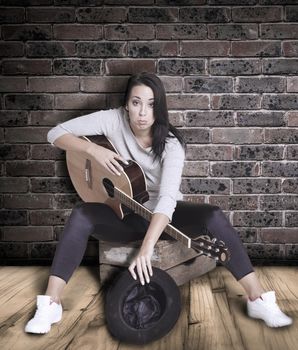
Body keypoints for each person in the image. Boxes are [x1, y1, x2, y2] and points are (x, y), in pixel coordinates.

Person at [25, 72, 292, 334]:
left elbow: (166, 200)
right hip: (122, 215)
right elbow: (56, 134)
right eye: (136, 103)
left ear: (160, 108)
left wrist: (146, 248)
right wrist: (93, 150)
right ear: (126, 104)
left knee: (213, 216)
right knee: (82, 214)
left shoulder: (172, 144)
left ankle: (257, 299)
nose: (142, 113)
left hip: (164, 216)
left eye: (151, 104)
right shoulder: (112, 120)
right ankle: (51, 303)